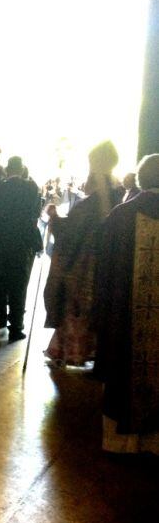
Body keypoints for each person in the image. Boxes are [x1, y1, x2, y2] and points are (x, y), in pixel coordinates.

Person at [95, 154, 159, 454]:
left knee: (123, 372)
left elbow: (103, 273)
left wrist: (101, 318)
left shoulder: (120, 217)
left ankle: (122, 445)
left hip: (125, 320)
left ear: (141, 180)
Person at [43, 141, 123, 367]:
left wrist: (54, 216)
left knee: (74, 305)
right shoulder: (118, 192)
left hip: (83, 263)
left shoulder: (92, 201)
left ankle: (74, 352)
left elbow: (70, 231)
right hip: (108, 262)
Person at [0, 156, 42, 341]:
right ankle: (16, 327)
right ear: (22, 168)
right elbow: (36, 214)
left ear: (7, 169)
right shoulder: (31, 188)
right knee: (18, 284)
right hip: (21, 241)